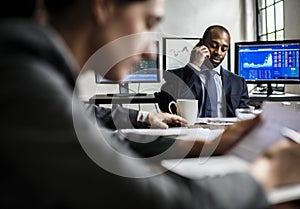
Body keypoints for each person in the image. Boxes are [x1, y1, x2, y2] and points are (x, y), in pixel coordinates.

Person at [1, 0, 300, 208]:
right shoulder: (18, 77)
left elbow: (106, 136)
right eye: (150, 22)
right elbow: (171, 203)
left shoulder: (37, 71)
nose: (151, 52)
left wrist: (200, 145)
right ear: (104, 6)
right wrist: (268, 174)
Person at [158, 25, 249, 117]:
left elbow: (244, 118)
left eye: (224, 49)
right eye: (214, 46)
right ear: (202, 44)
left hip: (226, 130)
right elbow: (165, 105)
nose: (218, 52)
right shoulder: (176, 76)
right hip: (190, 130)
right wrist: (194, 66)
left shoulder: (238, 83)